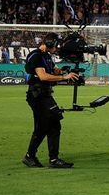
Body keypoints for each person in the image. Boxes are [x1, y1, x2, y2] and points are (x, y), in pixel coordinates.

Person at [22, 33, 78, 168]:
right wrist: (65, 78)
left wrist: (64, 71)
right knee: (50, 125)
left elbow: (54, 70)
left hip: (44, 95)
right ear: (50, 43)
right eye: (56, 45)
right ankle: (45, 158)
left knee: (47, 126)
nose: (57, 49)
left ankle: (37, 157)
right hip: (38, 96)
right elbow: (43, 76)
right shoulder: (36, 56)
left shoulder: (46, 56)